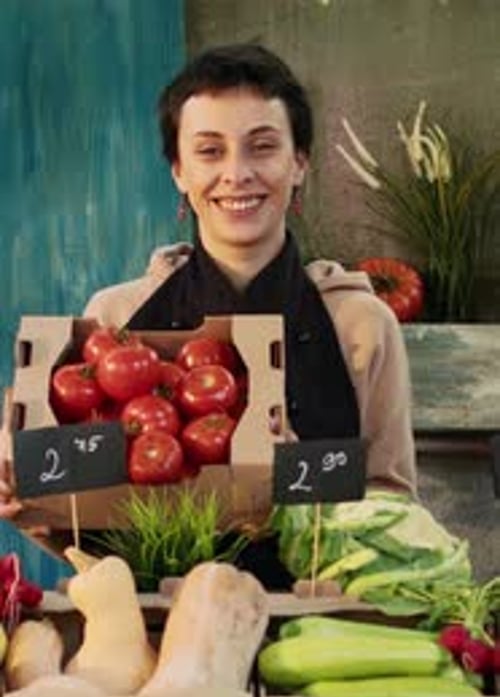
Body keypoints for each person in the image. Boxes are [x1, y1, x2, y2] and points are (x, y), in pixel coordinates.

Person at [0, 42, 416, 520]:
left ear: (299, 162)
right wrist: (26, 484)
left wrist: (296, 480)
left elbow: (396, 505)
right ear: (179, 170)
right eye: (209, 152)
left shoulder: (361, 323)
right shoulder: (114, 317)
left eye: (262, 147)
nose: (236, 174)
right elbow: (83, 514)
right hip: (154, 596)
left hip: (315, 594)